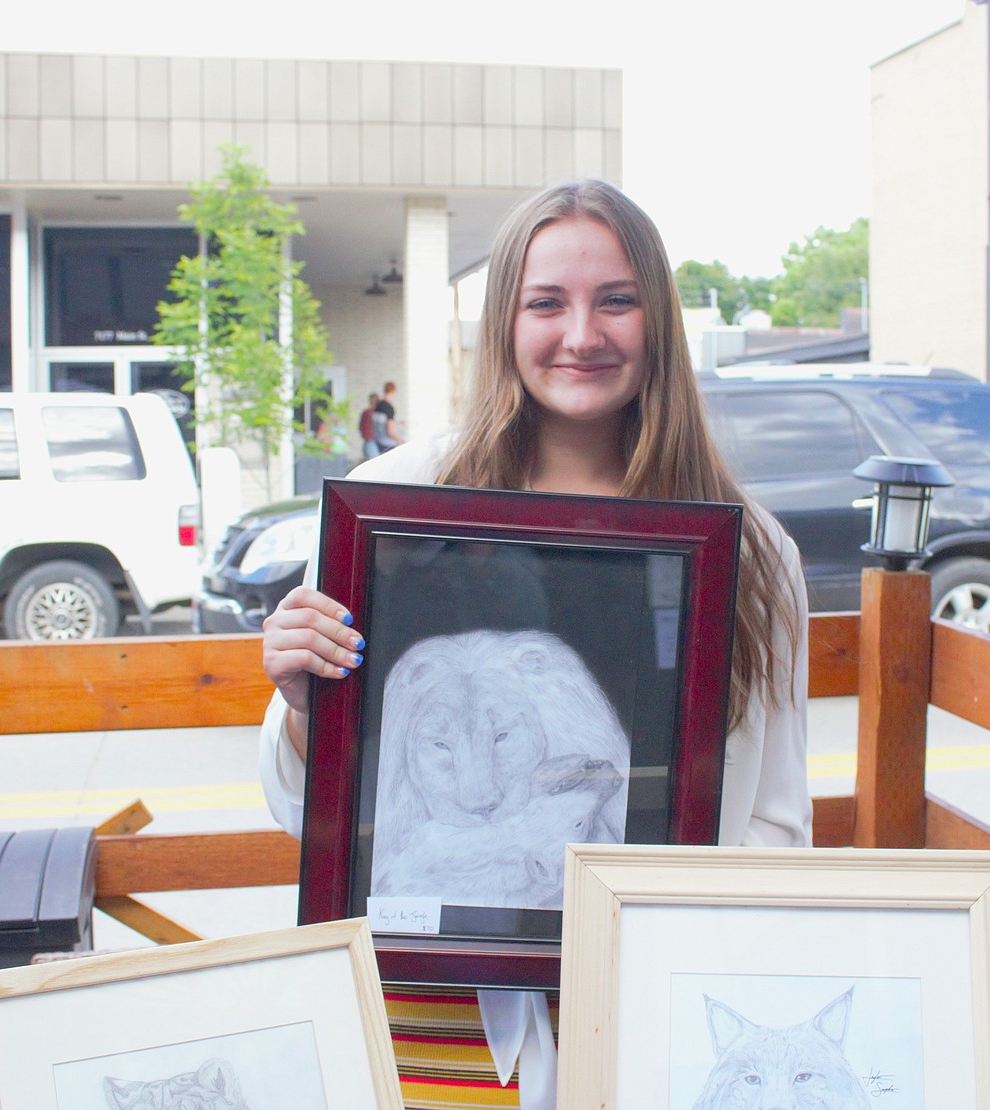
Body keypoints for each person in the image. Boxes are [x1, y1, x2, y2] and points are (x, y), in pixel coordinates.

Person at [259, 179, 810, 1110]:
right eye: (546, 302)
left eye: (617, 300)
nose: (582, 334)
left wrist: (658, 953)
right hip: (439, 1017)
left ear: (660, 321)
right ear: (503, 320)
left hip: (654, 1009)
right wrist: (309, 706)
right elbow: (315, 821)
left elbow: (778, 825)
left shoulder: (754, 553)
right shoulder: (391, 508)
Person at [372, 380, 404, 453]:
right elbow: (390, 431)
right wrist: (401, 440)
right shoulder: (389, 408)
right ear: (393, 391)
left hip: (377, 442)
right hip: (387, 445)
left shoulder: (378, 405)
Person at [358, 391, 380, 459]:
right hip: (371, 442)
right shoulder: (373, 413)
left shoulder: (366, 412)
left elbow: (360, 427)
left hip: (367, 442)